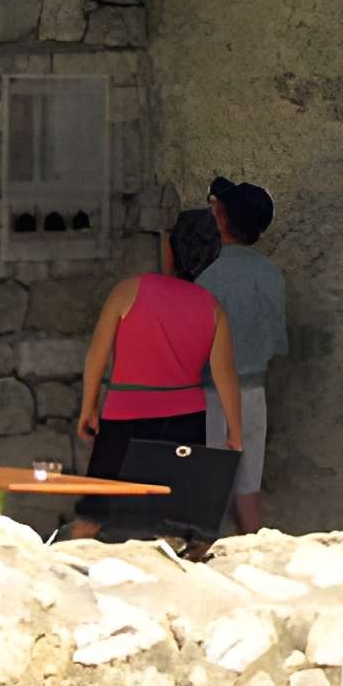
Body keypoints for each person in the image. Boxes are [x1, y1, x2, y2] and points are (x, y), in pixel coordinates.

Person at [74, 207, 241, 540]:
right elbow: (226, 377)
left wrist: (89, 407)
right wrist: (235, 434)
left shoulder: (130, 290)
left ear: (168, 249)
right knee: (175, 524)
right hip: (186, 420)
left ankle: (63, 581)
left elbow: (97, 356)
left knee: (92, 516)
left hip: (125, 417)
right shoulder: (213, 308)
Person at [196, 176, 286, 532]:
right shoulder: (272, 275)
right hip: (254, 393)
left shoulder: (207, 278)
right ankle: (255, 548)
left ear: (220, 219)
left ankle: (201, 555)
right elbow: (277, 342)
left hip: (213, 396)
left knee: (208, 485)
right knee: (249, 486)